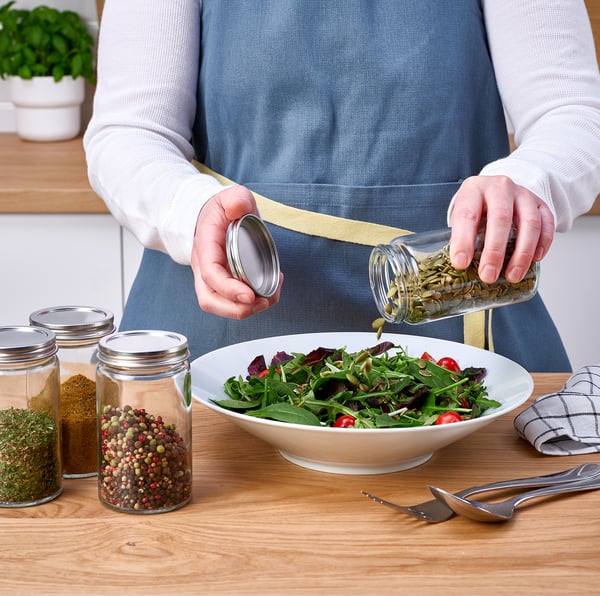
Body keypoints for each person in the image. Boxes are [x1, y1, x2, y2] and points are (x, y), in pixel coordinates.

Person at [84, 0, 600, 371]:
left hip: (456, 307)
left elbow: (572, 113)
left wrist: (527, 181)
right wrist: (187, 210)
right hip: (221, 331)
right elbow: (129, 132)